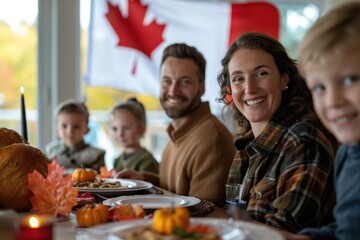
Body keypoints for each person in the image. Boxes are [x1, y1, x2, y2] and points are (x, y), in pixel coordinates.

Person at [217, 32, 338, 232]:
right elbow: (233, 222)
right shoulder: (245, 146)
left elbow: (281, 232)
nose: (249, 88)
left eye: (261, 73)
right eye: (238, 78)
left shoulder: (302, 141)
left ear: (284, 79)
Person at [116, 43, 235, 207]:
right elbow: (180, 190)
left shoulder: (211, 140)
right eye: (167, 81)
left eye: (184, 82)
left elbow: (203, 214)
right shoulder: (178, 132)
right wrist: (143, 179)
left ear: (201, 88)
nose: (173, 91)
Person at [280, 2, 360, 240]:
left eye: (349, 80)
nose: (333, 101)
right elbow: (347, 230)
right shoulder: (348, 153)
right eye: (319, 87)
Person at [45, 99, 105, 174]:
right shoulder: (50, 151)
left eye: (76, 126)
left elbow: (101, 179)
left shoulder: (96, 155)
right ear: (57, 130)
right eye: (64, 126)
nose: (70, 131)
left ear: (87, 130)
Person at [109, 97, 159, 173]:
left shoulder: (147, 160)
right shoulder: (118, 160)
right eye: (115, 129)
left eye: (126, 128)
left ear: (141, 129)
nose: (120, 134)